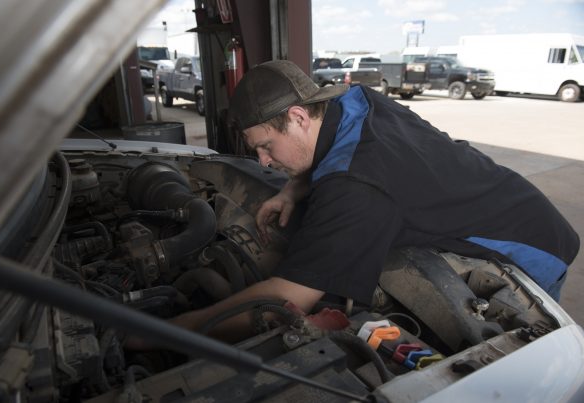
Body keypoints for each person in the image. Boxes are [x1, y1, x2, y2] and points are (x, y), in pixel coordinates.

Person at [171, 59, 579, 342]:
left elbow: (290, 297)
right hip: (508, 195)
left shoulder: (355, 188)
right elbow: (341, 151)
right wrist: (293, 188)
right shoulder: (355, 99)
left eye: (266, 146)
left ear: (297, 117)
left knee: (520, 347)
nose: (262, 160)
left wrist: (185, 326)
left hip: (532, 246)